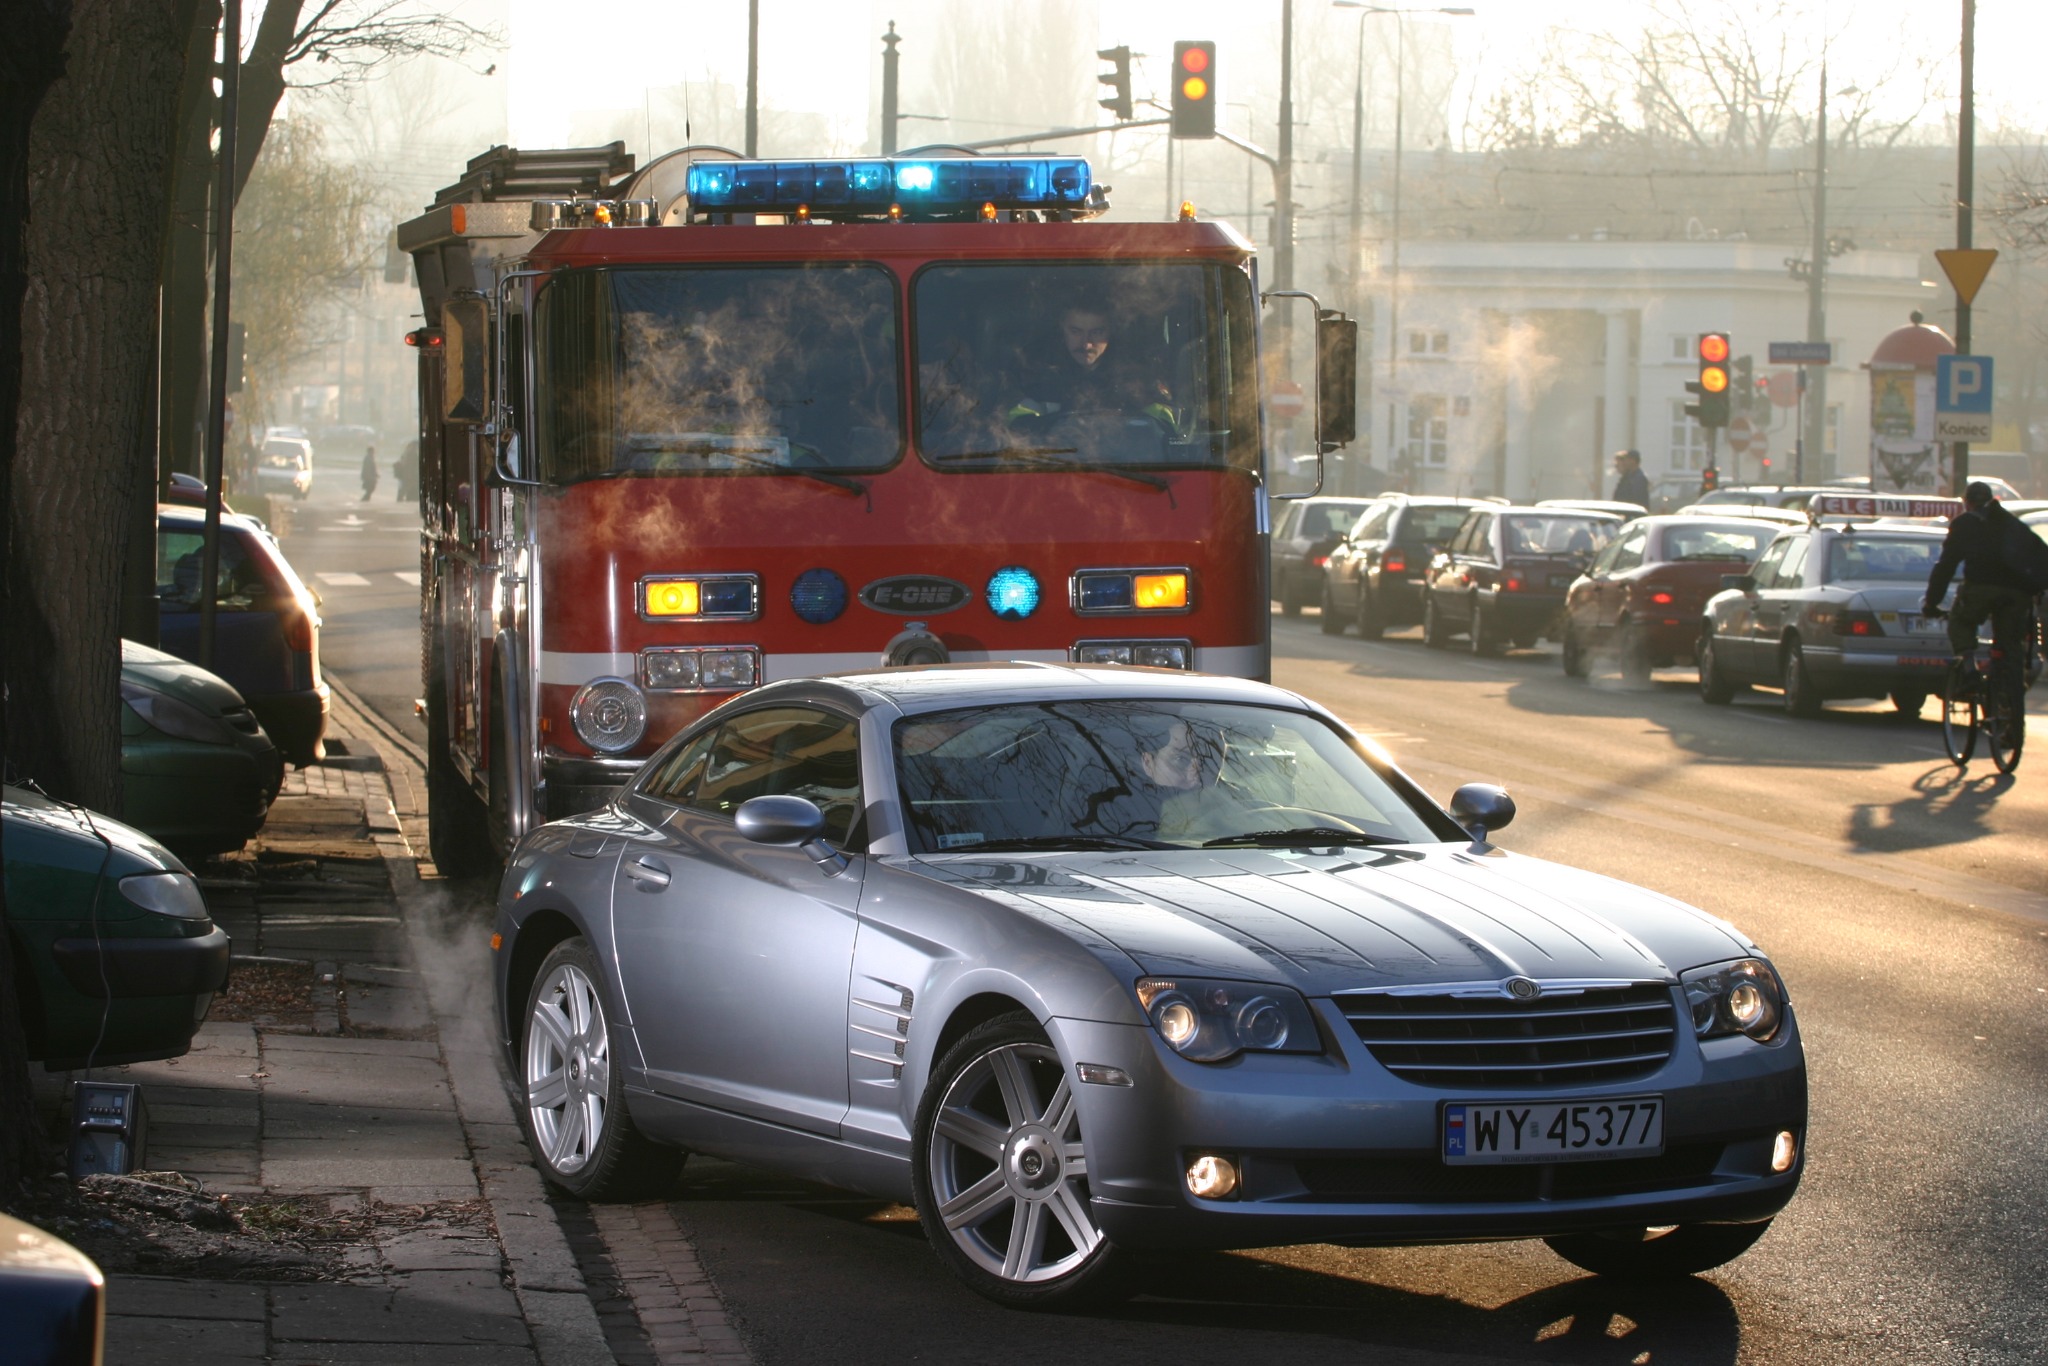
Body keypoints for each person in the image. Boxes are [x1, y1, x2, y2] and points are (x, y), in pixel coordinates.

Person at [1924, 481, 2036, 710]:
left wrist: (1932, 603)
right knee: (2011, 643)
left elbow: (1946, 566)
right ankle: (2013, 693)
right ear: (1993, 500)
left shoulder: (1964, 524)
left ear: (1967, 503)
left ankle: (1969, 670)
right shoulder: (2011, 523)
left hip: (1980, 589)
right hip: (2017, 593)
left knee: (1960, 622)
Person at [1005, 303, 1172, 430]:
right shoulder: (1033, 375)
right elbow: (1014, 429)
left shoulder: (1138, 378)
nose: (1086, 344)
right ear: (1062, 329)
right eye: (1076, 331)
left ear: (1110, 331)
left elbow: (1167, 428)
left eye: (1097, 332)